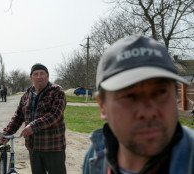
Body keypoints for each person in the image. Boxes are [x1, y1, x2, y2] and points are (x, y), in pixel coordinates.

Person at [83, 35, 194, 174]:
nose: (148, 112)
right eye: (129, 96)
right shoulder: (95, 155)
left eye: (160, 92)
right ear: (103, 107)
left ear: (175, 96)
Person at [0, 63, 67, 174]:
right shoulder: (26, 95)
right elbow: (18, 117)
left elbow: (55, 114)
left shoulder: (57, 91)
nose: (39, 77)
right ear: (31, 77)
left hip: (53, 147)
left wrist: (33, 126)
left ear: (47, 76)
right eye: (36, 74)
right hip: (33, 148)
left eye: (42, 74)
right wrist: (6, 133)